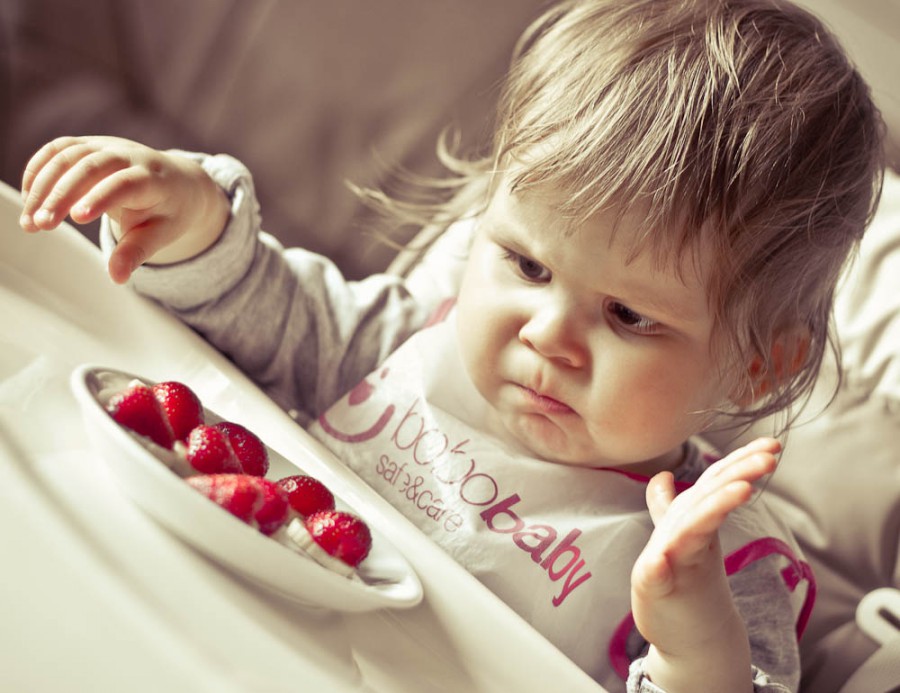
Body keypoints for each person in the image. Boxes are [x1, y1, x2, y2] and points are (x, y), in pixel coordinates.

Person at [18, 0, 883, 690]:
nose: (548, 334)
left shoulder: (719, 564)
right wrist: (194, 228)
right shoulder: (399, 345)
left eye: (628, 315)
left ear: (761, 364)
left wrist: (696, 650)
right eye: (527, 265)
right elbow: (253, 309)